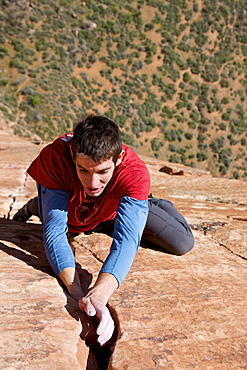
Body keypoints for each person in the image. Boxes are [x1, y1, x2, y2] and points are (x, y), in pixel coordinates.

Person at [13, 115, 194, 346]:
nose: (93, 182)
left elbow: (127, 241)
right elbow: (55, 232)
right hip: (74, 208)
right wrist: (76, 290)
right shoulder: (55, 157)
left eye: (102, 172)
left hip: (113, 212)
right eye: (84, 170)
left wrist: (99, 294)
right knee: (65, 218)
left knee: (182, 243)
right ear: (72, 155)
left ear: (118, 159)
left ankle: (147, 204)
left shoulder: (133, 172)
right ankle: (37, 205)